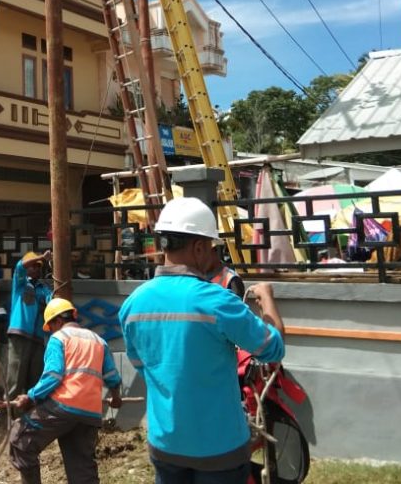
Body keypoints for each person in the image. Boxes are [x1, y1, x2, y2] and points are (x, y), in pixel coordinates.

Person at [119, 198, 285, 484]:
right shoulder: (217, 301)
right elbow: (273, 349)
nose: (213, 255)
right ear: (198, 247)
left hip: (165, 445)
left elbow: (142, 365)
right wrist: (267, 299)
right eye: (211, 247)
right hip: (219, 449)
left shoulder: (132, 305)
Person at [9, 298, 122, 484]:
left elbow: (53, 376)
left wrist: (31, 397)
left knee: (20, 439)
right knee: (82, 470)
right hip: (91, 414)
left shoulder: (59, 338)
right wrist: (116, 397)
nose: (51, 331)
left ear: (57, 322)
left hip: (63, 407)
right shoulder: (99, 341)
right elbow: (112, 376)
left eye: (50, 326)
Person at [6, 249, 53, 399]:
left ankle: (29, 415)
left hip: (38, 338)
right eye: (33, 265)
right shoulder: (20, 283)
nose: (36, 268)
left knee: (35, 379)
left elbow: (53, 301)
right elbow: (20, 266)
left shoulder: (43, 289)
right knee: (16, 380)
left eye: (39, 266)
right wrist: (42, 257)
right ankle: (10, 416)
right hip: (20, 334)